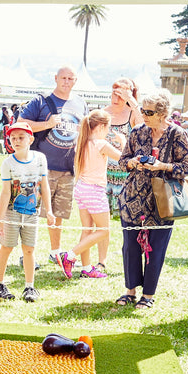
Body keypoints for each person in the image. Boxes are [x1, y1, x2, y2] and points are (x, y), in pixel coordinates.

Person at [115, 89, 188, 310]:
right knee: (129, 247)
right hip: (133, 198)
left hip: (161, 201)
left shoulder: (177, 134)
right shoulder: (137, 131)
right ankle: (130, 291)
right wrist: (134, 162)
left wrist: (162, 166)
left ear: (162, 113)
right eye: (142, 110)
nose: (143, 115)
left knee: (155, 248)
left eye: (148, 112)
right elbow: (123, 161)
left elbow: (186, 168)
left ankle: (148, 295)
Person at [17, 66, 88, 263]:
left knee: (58, 214)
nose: (66, 81)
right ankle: (26, 254)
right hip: (40, 168)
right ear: (55, 78)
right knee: (31, 210)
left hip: (67, 169)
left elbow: (85, 132)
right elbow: (21, 123)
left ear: (75, 81)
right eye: (63, 77)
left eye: (70, 78)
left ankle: (55, 251)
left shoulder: (81, 103)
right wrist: (47, 124)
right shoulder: (41, 100)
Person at [55, 110, 123, 279]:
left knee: (87, 229)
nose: (108, 131)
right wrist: (123, 142)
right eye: (108, 127)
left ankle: (86, 268)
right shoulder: (101, 144)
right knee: (104, 230)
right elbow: (124, 160)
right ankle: (69, 255)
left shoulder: (83, 142)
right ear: (100, 126)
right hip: (94, 190)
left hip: (81, 188)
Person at [0, 122, 53, 302]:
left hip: (32, 213)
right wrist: (0, 219)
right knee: (7, 246)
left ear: (30, 139)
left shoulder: (40, 159)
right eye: (13, 138)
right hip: (12, 213)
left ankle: (29, 286)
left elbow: (44, 185)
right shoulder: (7, 163)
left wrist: (48, 211)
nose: (17, 141)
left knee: (29, 249)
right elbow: (5, 192)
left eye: (21, 137)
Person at [104, 78, 141, 220]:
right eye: (114, 93)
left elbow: (145, 128)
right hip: (104, 172)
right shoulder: (103, 112)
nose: (116, 98)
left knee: (128, 220)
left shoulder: (132, 113)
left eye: (121, 95)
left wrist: (131, 100)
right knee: (100, 220)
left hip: (126, 174)